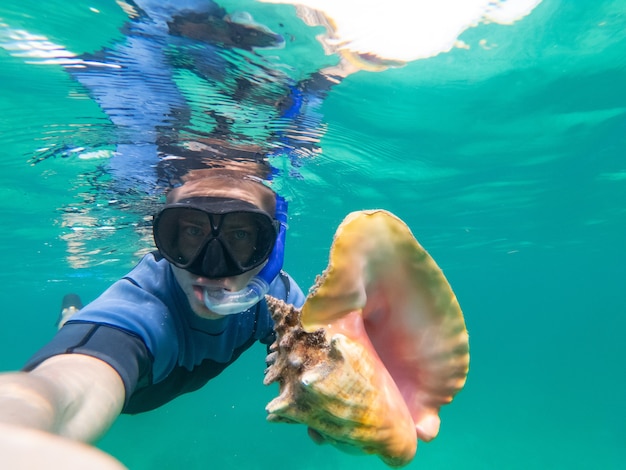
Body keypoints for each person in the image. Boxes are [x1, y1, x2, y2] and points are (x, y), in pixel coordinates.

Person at [0, 168, 305, 451]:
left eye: (240, 235)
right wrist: (21, 434)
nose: (212, 269)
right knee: (72, 329)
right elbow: (71, 382)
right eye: (192, 232)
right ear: (167, 239)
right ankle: (71, 316)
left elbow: (326, 355)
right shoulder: (142, 308)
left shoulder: (277, 295)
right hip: (131, 394)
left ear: (269, 248)